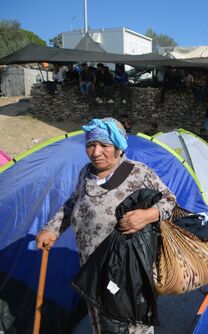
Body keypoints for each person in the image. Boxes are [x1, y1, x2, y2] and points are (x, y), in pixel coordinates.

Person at [35, 118, 176, 333]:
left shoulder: (138, 172)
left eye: (104, 145)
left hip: (126, 268)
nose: (96, 152)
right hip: (91, 266)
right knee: (100, 319)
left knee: (129, 321)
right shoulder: (86, 173)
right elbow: (74, 201)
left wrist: (147, 215)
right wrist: (52, 228)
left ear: (119, 148)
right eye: (91, 145)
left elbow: (169, 200)